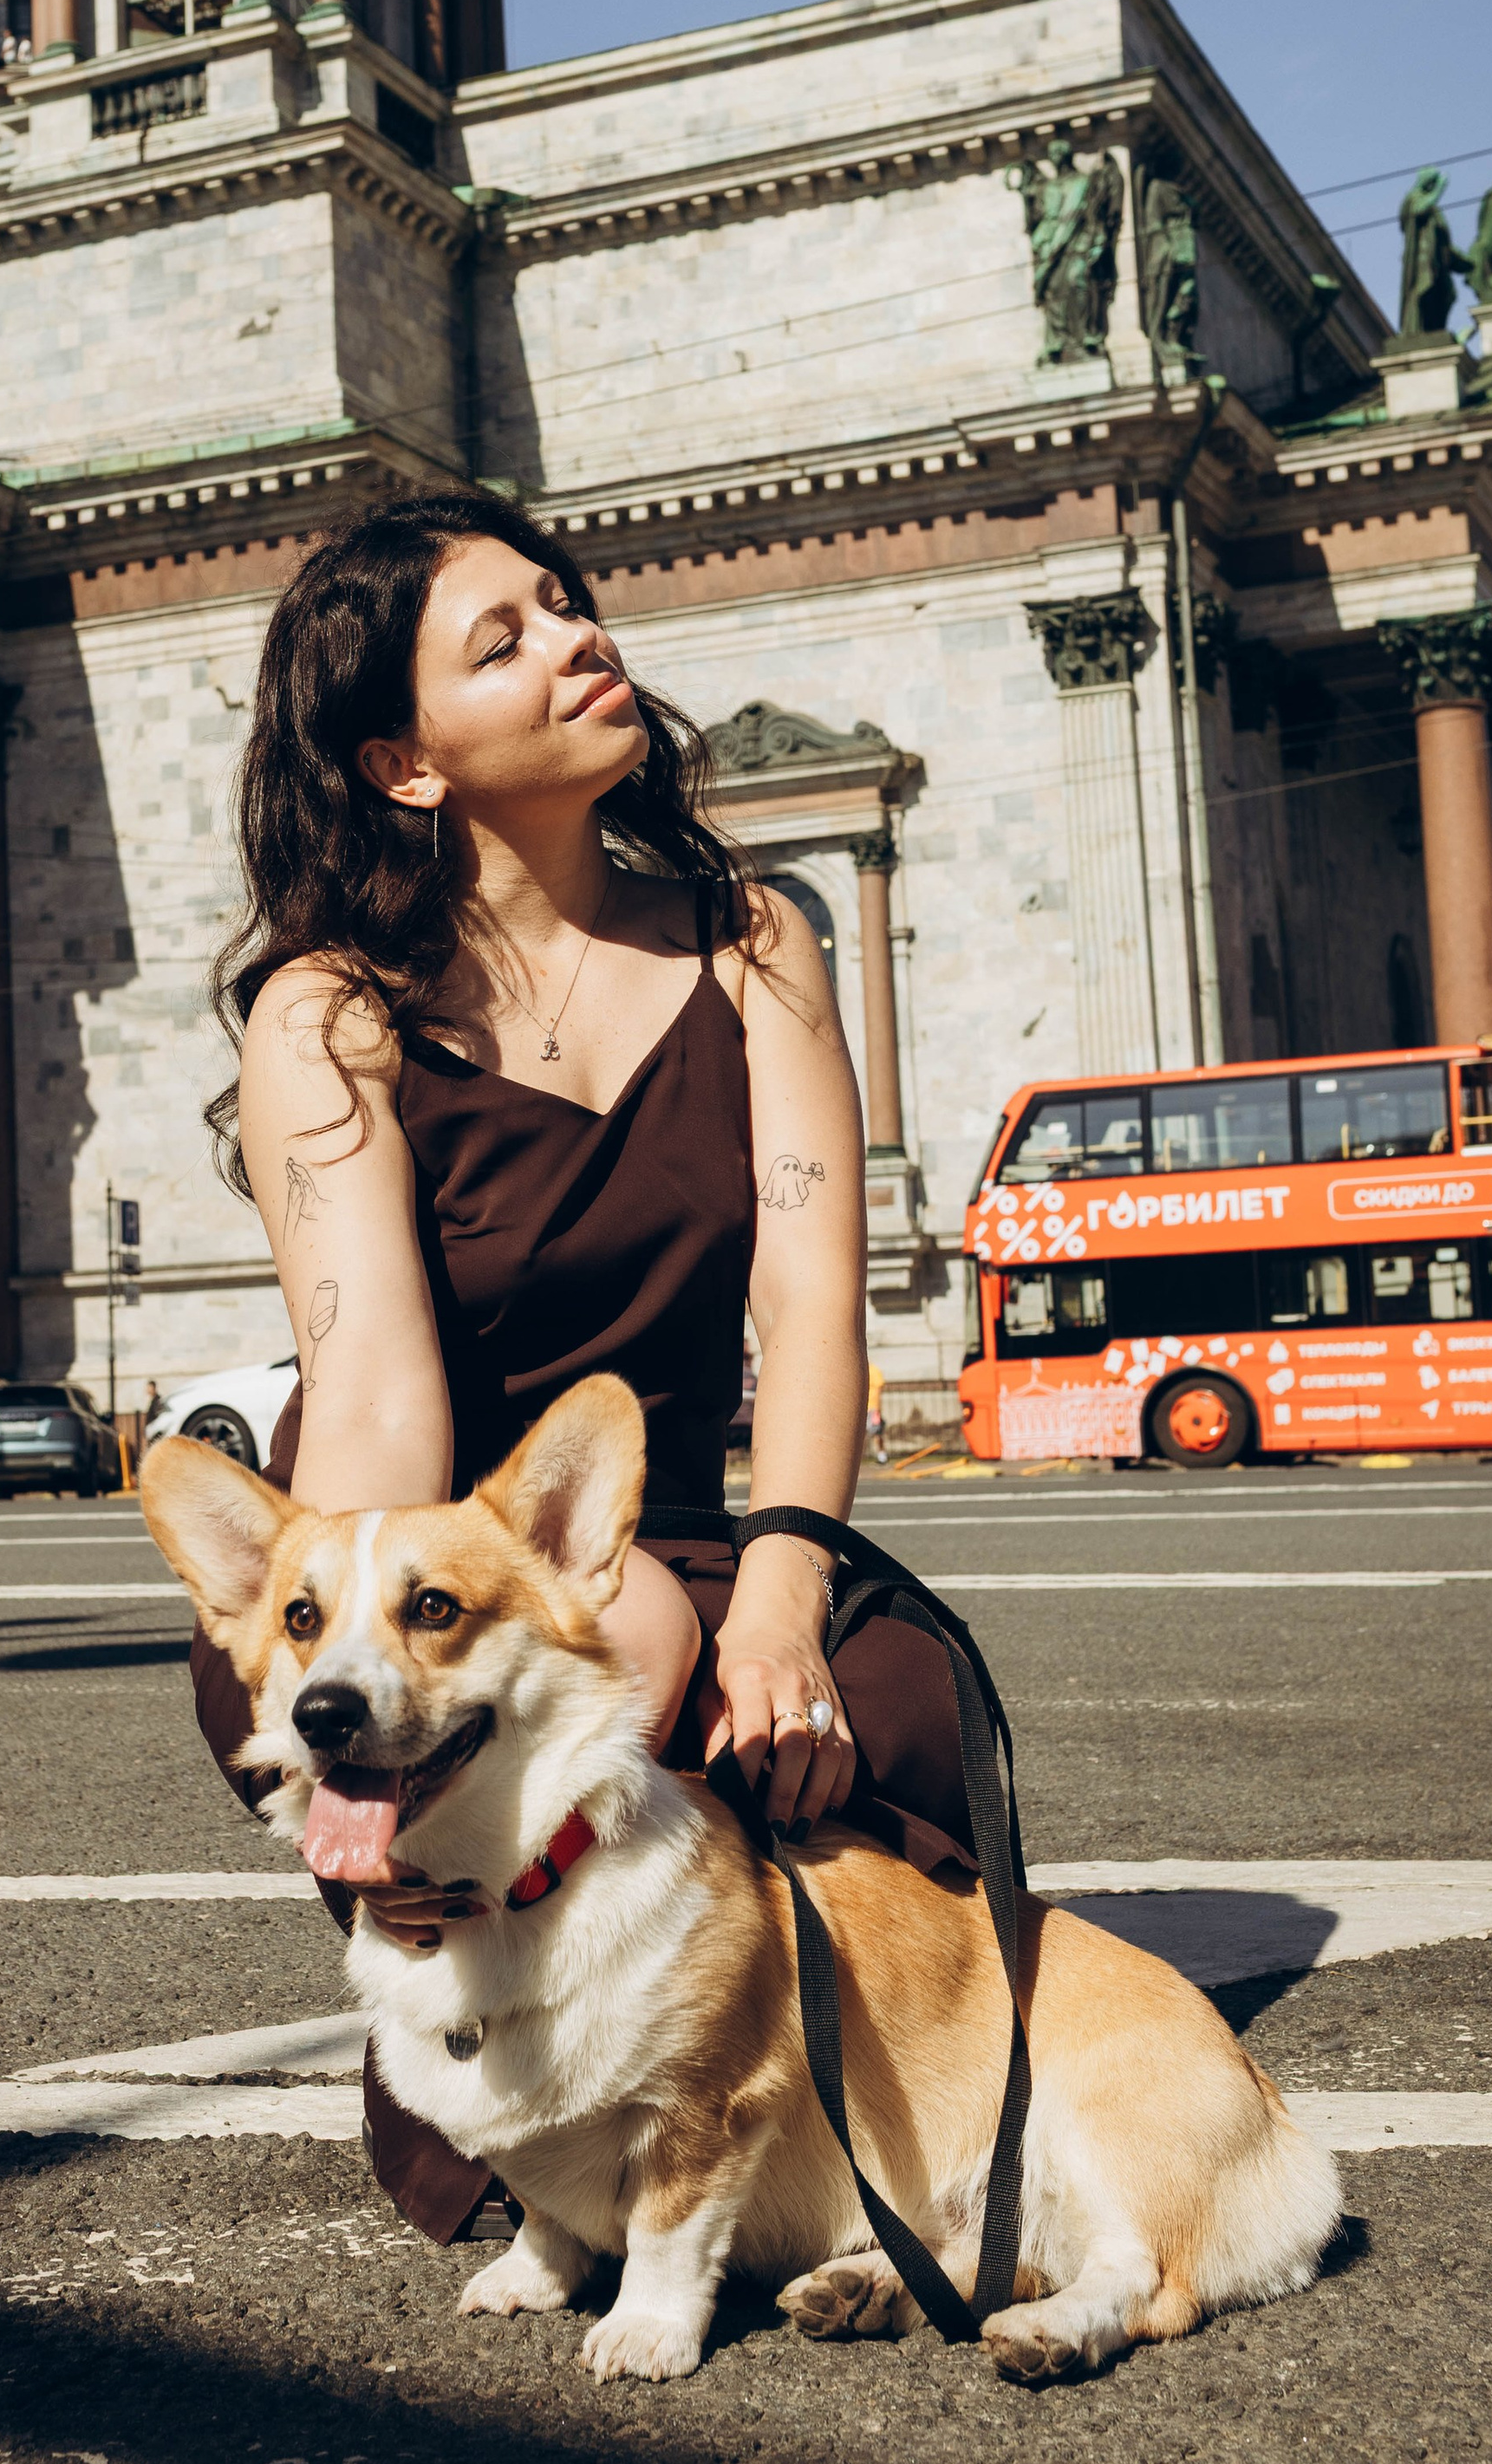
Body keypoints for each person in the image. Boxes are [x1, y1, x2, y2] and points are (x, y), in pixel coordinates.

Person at [191, 489, 985, 2240]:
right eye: (508, 639)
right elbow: (375, 1399)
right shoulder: (329, 1014)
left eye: (566, 602)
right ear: (406, 764)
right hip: (433, 1549)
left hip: (685, 1511)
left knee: (886, 1704)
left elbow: (812, 1310)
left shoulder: (754, 941)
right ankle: (531, 2060)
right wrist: (383, 1688)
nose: (579, 637)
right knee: (597, 1690)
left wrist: (778, 1602)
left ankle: (848, 2118)